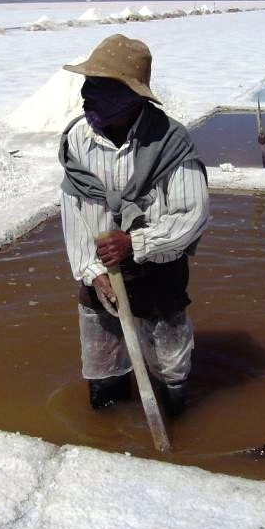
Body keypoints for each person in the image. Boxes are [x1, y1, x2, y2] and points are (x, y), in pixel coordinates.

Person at [58, 34, 209, 418]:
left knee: (168, 366)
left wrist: (135, 244)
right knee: (105, 365)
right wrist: (94, 274)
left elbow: (192, 216)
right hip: (102, 277)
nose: (86, 95)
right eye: (87, 84)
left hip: (158, 271)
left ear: (131, 97)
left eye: (101, 87)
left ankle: (176, 418)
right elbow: (73, 207)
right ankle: (107, 432)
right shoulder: (78, 138)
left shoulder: (169, 142)